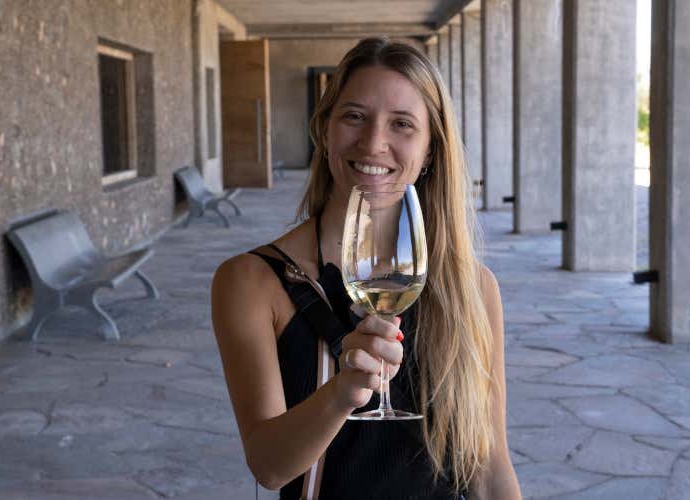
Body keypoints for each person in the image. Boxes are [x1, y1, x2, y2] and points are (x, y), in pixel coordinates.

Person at [211, 37, 521, 499]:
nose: (374, 142)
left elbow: (490, 466)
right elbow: (269, 467)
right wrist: (343, 392)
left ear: (431, 150)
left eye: (402, 124)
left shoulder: (472, 287)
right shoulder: (253, 281)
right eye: (354, 116)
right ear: (325, 128)